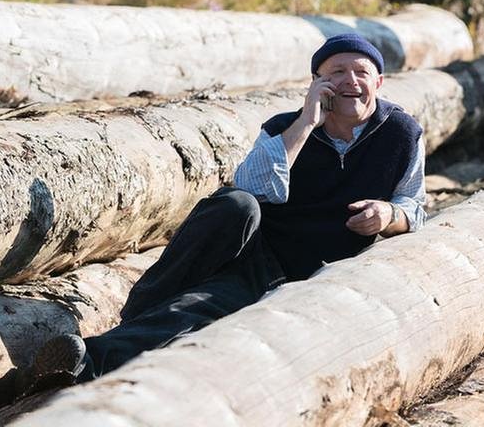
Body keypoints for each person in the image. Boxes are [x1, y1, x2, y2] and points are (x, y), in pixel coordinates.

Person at [25, 33, 426, 390]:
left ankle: (87, 361)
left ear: (379, 82)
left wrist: (390, 214)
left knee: (198, 306)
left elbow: (415, 206)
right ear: (317, 84)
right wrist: (306, 123)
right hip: (258, 250)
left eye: (361, 72)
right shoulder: (284, 127)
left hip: (318, 272)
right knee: (236, 204)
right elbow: (251, 186)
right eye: (337, 72)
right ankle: (136, 315)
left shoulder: (402, 134)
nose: (350, 82)